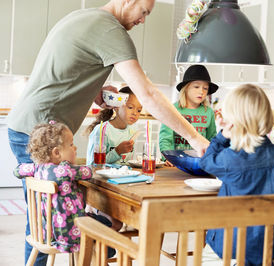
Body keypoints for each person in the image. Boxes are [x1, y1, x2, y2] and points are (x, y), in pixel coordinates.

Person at [7, 1, 208, 264]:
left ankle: (93, 242)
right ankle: (97, 241)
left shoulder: (84, 17)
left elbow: (63, 73)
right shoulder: (112, 31)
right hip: (39, 130)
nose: (143, 20)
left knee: (42, 220)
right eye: (143, 11)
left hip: (25, 125)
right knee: (44, 225)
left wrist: (96, 92)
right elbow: (147, 94)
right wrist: (195, 137)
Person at [199, 84, 274, 266]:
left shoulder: (232, 158)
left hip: (229, 251)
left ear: (234, 121)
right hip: (264, 251)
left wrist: (223, 135)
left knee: (207, 253)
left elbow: (206, 162)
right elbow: (261, 148)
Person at [13, 122, 115, 257]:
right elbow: (88, 172)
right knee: (106, 223)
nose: (75, 147)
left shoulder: (37, 168)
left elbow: (17, 171)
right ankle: (98, 255)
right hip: (69, 233)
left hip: (47, 232)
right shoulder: (65, 171)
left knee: (102, 222)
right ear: (57, 153)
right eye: (71, 144)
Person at [159, 64, 218, 166]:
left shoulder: (208, 112)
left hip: (199, 162)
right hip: (175, 161)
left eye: (205, 88)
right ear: (186, 88)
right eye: (196, 86)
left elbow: (212, 139)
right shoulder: (173, 109)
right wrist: (168, 156)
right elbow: (165, 138)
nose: (201, 92)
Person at [86, 86, 142, 165]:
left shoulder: (132, 131)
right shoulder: (102, 130)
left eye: (139, 110)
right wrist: (117, 151)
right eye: (130, 107)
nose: (135, 113)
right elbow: (93, 164)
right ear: (116, 107)